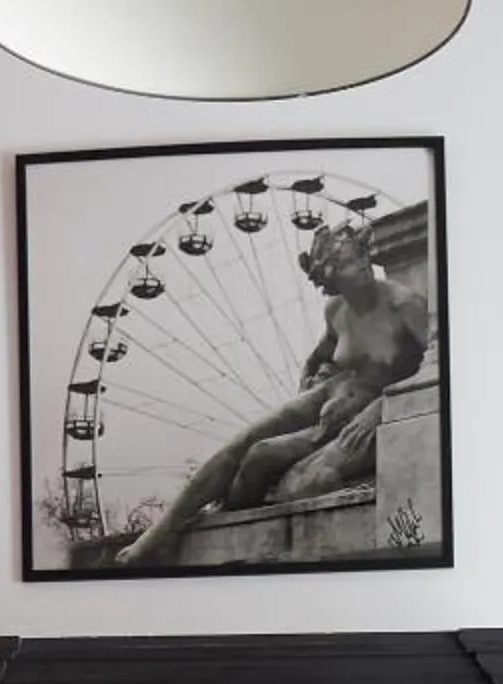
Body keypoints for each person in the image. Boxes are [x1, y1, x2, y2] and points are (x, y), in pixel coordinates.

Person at [115, 220, 429, 566]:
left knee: (260, 454)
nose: (365, 268)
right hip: (332, 391)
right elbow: (319, 356)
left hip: (370, 403)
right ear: (330, 278)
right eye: (350, 266)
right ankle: (161, 532)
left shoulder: (405, 305)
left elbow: (434, 365)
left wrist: (380, 409)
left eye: (362, 258)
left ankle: (226, 503)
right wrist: (307, 383)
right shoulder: (336, 311)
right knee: (240, 442)